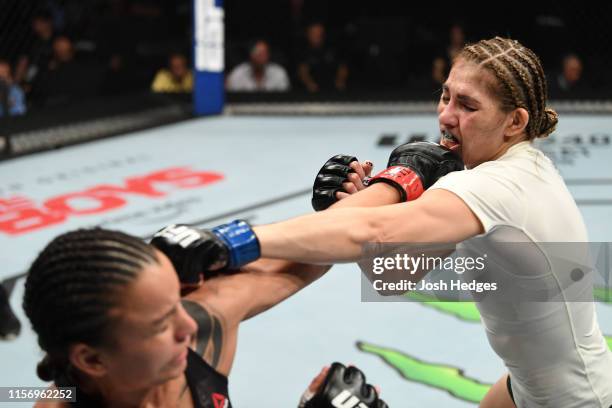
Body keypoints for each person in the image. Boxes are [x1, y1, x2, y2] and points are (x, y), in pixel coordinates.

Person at [168, 37, 612, 407]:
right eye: (446, 95)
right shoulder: (476, 177)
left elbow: (373, 233)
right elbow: (393, 274)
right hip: (527, 388)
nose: (445, 115)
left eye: (468, 106)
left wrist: (232, 241)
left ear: (515, 122)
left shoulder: (502, 185)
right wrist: (363, 203)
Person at [23, 217, 388, 405]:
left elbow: (303, 259)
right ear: (92, 359)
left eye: (176, 304)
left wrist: (401, 177)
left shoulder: (198, 332)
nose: (187, 324)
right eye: (160, 324)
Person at [296, 22, 348, 92]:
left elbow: (342, 67)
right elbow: (302, 71)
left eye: (319, 33)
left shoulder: (333, 48)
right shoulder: (302, 50)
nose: (317, 35)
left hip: (334, 90)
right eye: (314, 33)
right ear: (308, 34)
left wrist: (340, 80)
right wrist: (309, 83)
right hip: (311, 91)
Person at [226, 40, 290, 92]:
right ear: (251, 56)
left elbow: (285, 99)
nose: (262, 58)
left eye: (264, 54)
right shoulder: (238, 73)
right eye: (259, 54)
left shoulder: (279, 73)